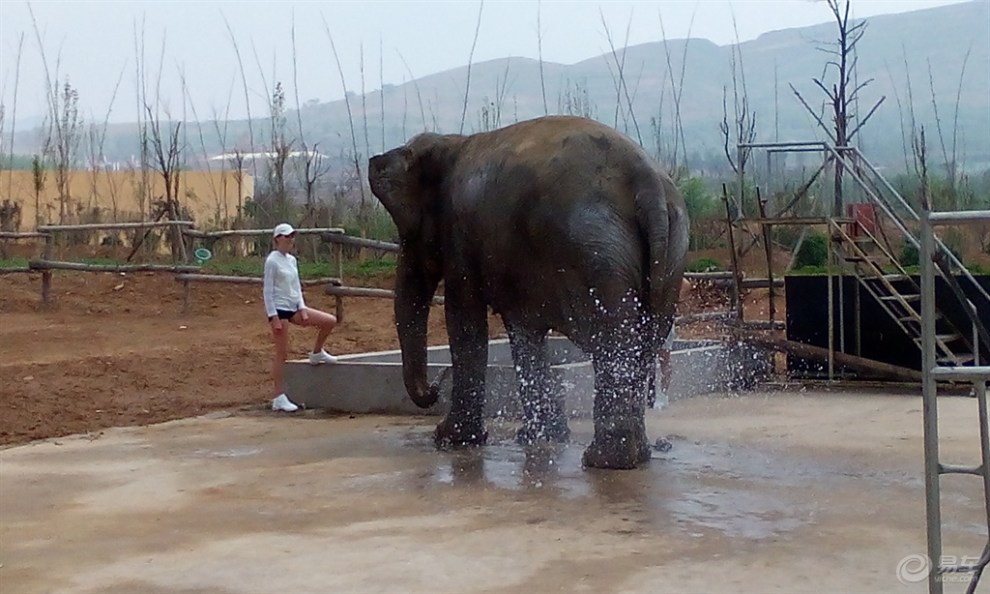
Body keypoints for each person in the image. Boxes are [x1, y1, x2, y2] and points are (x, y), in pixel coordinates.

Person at [264, 223, 339, 412]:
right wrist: (273, 316)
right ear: (277, 239)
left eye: (292, 237)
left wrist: (303, 308)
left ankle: (317, 352)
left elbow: (297, 287)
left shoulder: (292, 260)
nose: (290, 240)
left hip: (293, 306)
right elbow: (267, 290)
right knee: (282, 353)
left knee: (329, 321)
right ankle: (278, 397)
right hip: (279, 309)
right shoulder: (272, 261)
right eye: (286, 237)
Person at [656, 277, 694, 407]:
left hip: (664, 319)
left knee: (664, 358)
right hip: (648, 318)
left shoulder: (668, 273)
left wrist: (674, 300)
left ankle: (663, 394)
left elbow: (686, 284)